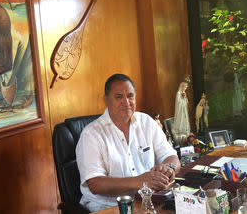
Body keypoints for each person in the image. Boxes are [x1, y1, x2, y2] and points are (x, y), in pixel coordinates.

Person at [76, 74, 180, 212]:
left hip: (146, 202)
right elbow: (95, 184)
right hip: (108, 207)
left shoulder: (147, 122)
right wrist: (140, 181)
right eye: (118, 97)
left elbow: (172, 156)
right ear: (106, 100)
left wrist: (169, 168)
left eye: (130, 96)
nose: (126, 102)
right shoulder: (91, 135)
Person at [171, 80, 191, 145]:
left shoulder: (183, 92)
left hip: (184, 109)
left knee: (185, 119)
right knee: (181, 119)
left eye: (186, 88)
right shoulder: (178, 93)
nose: (185, 89)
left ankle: (184, 129)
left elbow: (186, 101)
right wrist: (182, 98)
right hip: (180, 110)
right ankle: (180, 130)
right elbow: (178, 102)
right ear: (182, 86)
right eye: (185, 87)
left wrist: (185, 98)